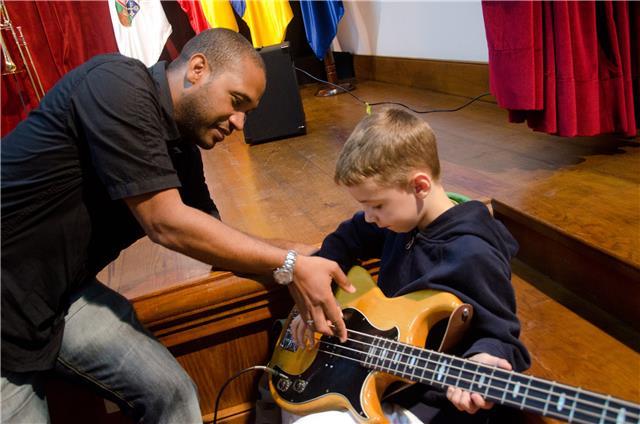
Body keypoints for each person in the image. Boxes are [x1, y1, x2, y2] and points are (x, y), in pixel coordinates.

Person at [1, 28, 353, 423]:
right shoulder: (116, 84)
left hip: (60, 298)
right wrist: (290, 263)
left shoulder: (182, 143)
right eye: (236, 102)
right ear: (198, 69)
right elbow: (166, 222)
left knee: (173, 394)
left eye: (248, 112)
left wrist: (310, 254)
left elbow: (212, 235)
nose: (239, 123)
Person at [281, 108, 531, 423]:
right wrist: (319, 290)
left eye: (376, 206)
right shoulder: (402, 219)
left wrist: (482, 359)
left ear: (420, 186)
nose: (370, 217)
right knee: (293, 396)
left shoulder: (472, 254)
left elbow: (503, 337)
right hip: (381, 362)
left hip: (425, 399)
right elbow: (349, 235)